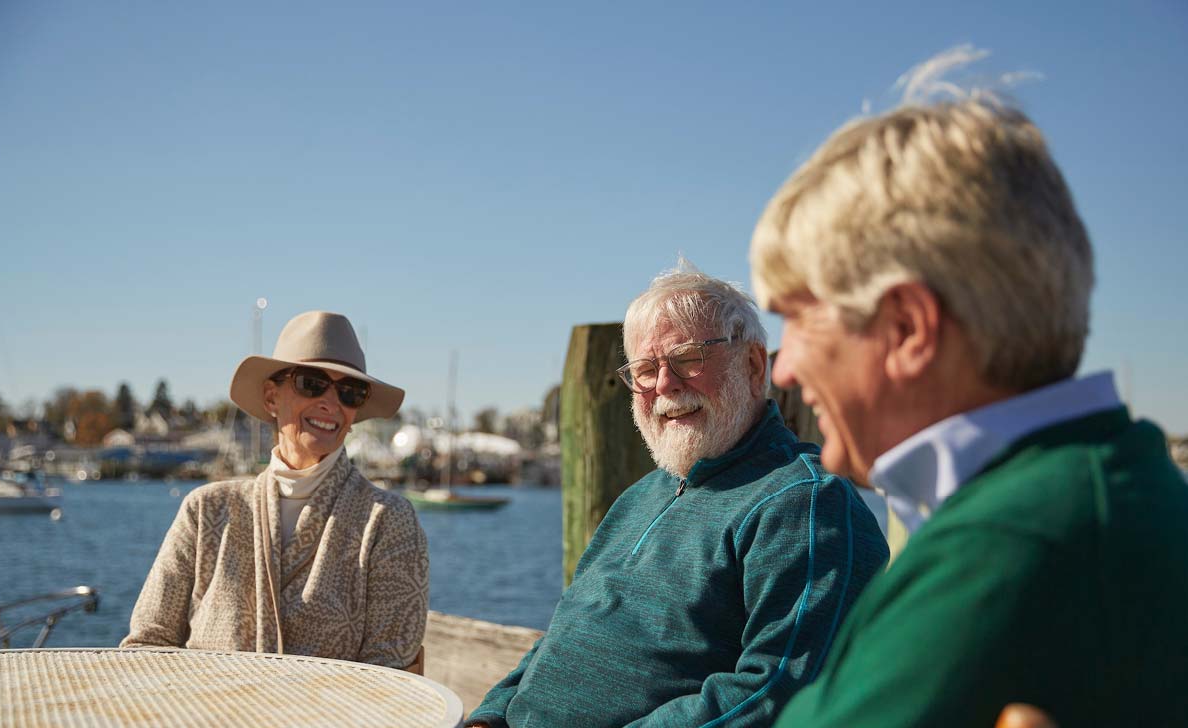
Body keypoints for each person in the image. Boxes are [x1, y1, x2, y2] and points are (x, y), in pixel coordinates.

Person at [749, 55, 1188, 727]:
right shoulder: (1122, 479)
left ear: (907, 329)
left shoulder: (1012, 542)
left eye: (799, 317)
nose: (783, 368)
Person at [466, 261, 889, 728]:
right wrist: (488, 717)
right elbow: (562, 640)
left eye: (688, 359)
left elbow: (780, 693)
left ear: (752, 365)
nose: (665, 384)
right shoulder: (641, 495)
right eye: (645, 370)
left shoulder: (805, 501)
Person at [122, 311, 429, 671]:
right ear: (271, 396)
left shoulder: (388, 522)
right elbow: (147, 644)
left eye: (349, 392)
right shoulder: (205, 510)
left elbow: (390, 674)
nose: (331, 402)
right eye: (311, 383)